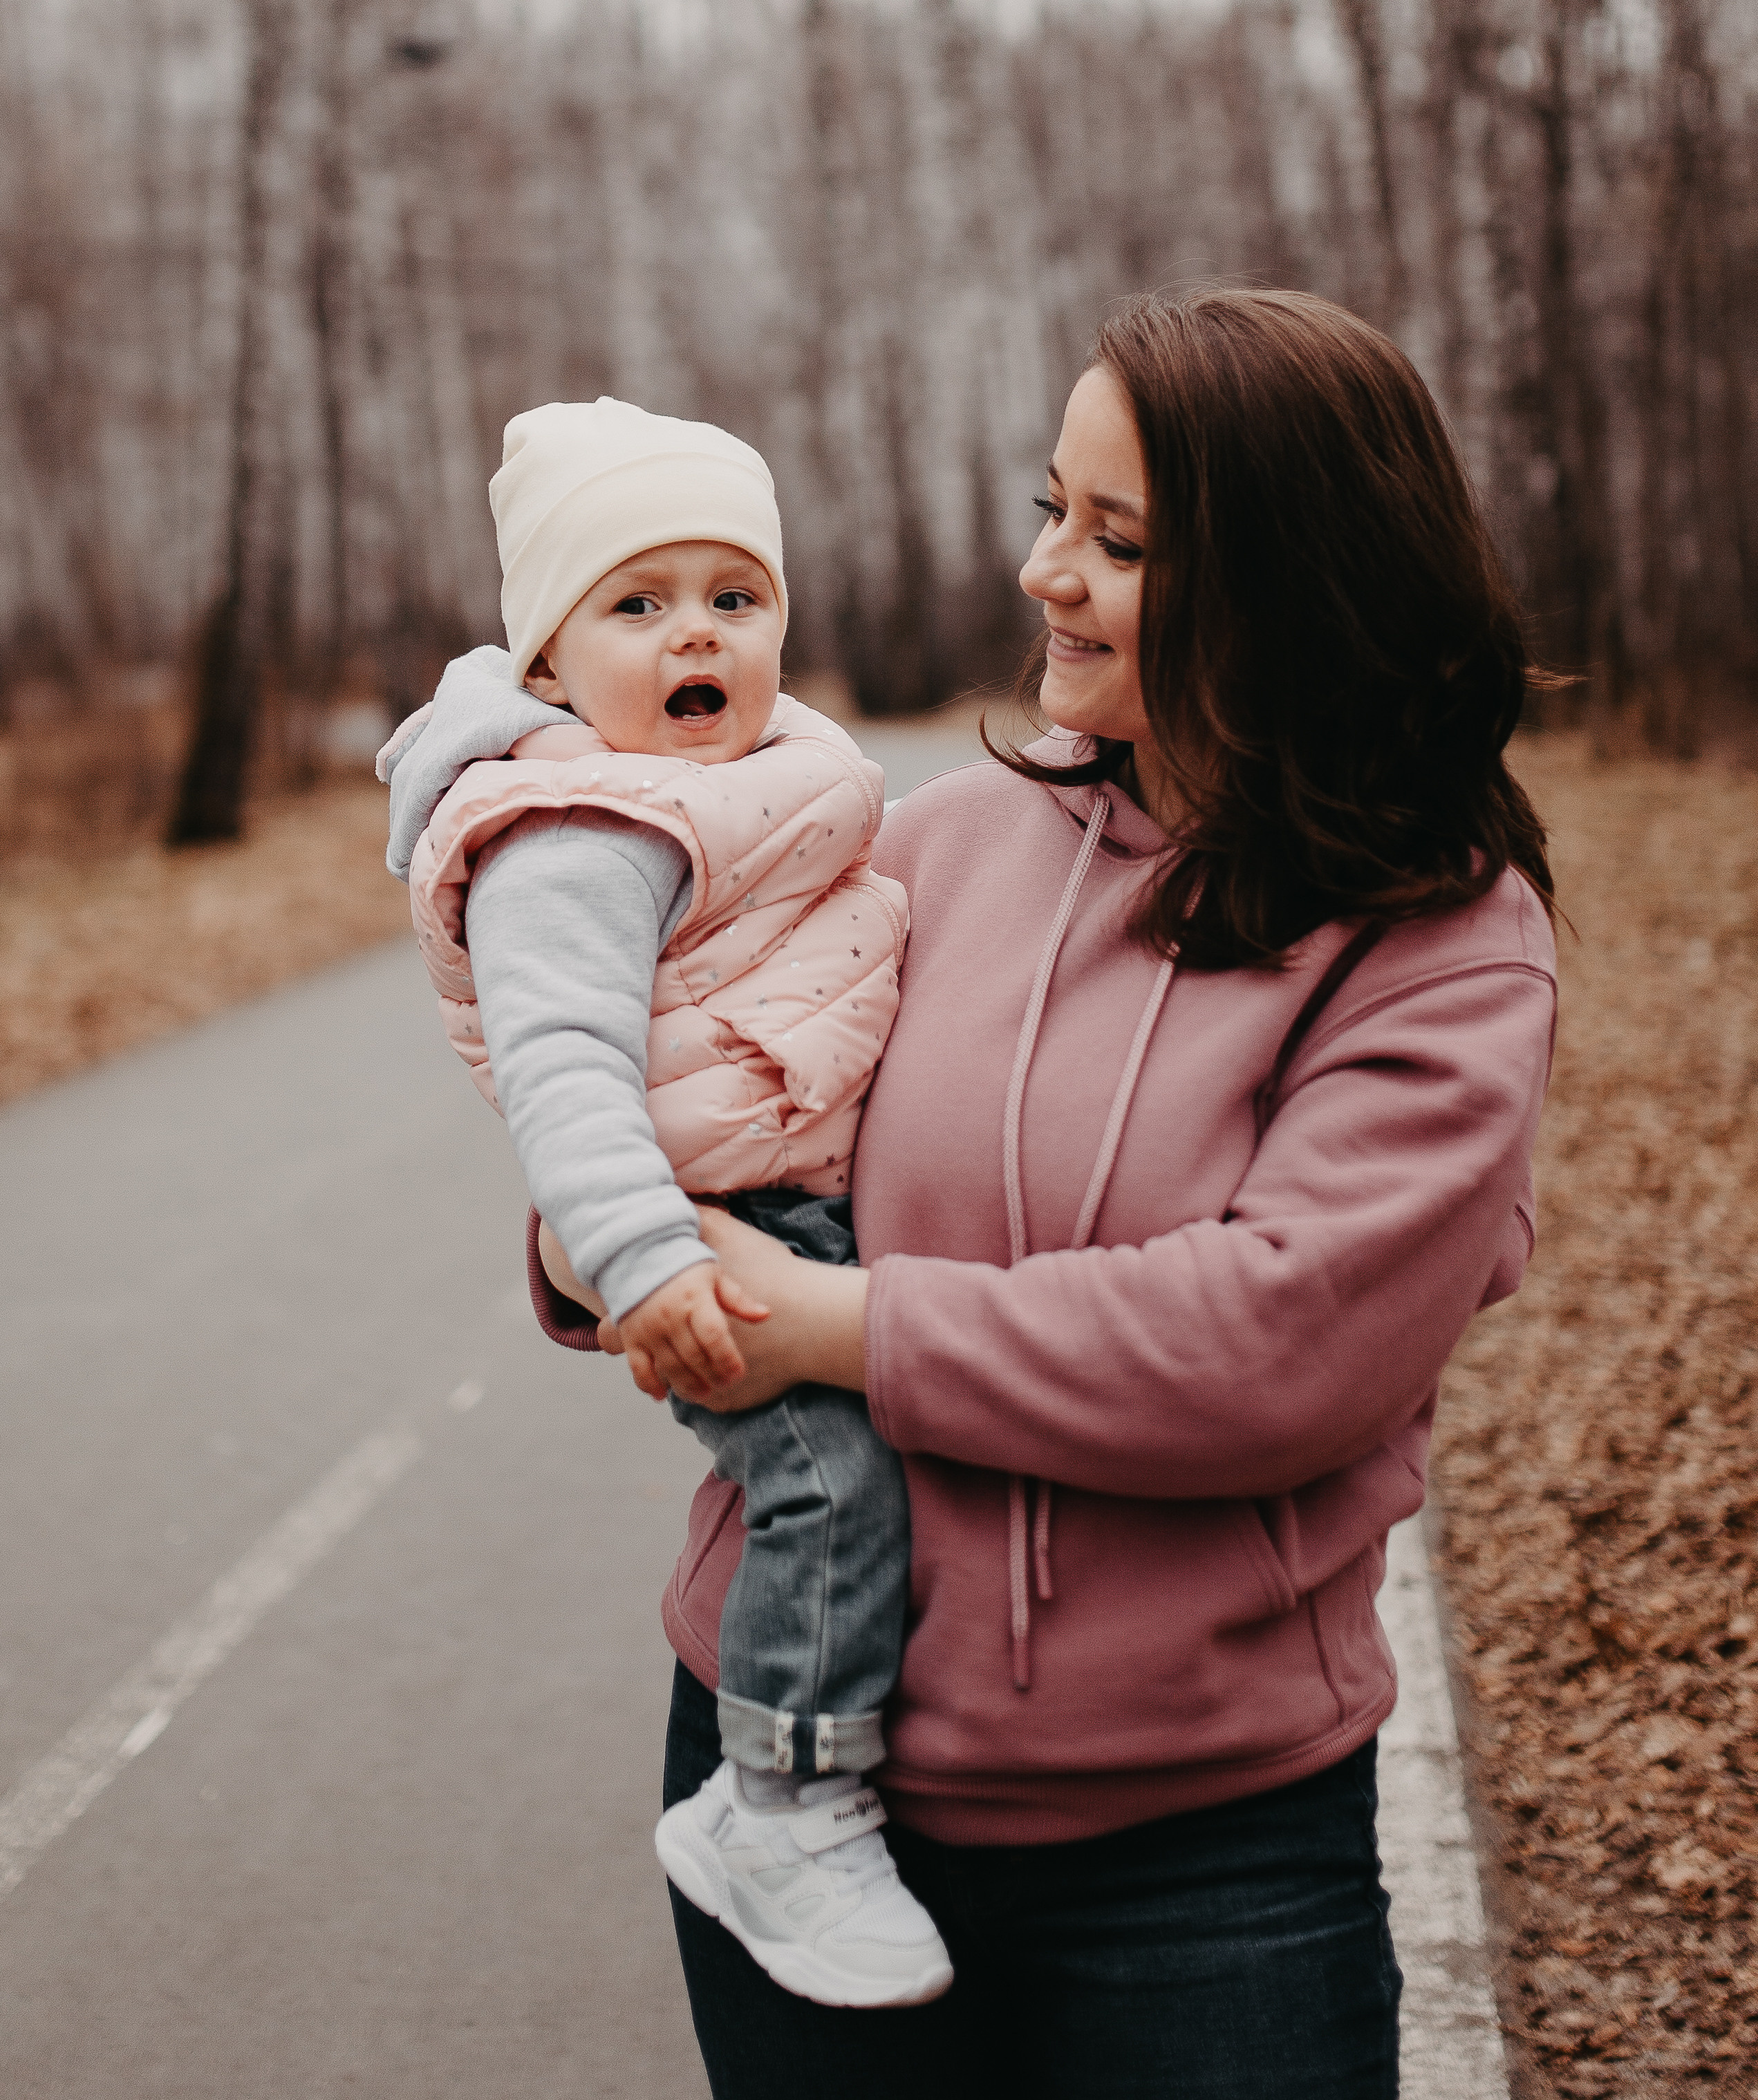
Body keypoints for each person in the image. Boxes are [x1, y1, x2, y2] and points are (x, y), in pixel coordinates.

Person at [541, 287, 1558, 2098]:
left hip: (1201, 1849)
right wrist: (599, 1245)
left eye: (1120, 538)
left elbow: (1264, 1343)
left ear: (1294, 582)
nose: (1045, 575)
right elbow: (716, 1120)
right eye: (1050, 509)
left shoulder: (1448, 949)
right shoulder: (925, 844)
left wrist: (814, 1317)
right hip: (790, 1766)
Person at [380, 396, 953, 2009]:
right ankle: (781, 1801)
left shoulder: (749, 774)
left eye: (733, 594)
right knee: (830, 1487)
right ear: (552, 663)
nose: (694, 629)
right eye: (637, 603)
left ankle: (803, 1783)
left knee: (870, 1473)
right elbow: (564, 1070)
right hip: (718, 1224)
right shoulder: (575, 830)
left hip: (796, 1189)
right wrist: (641, 1259)